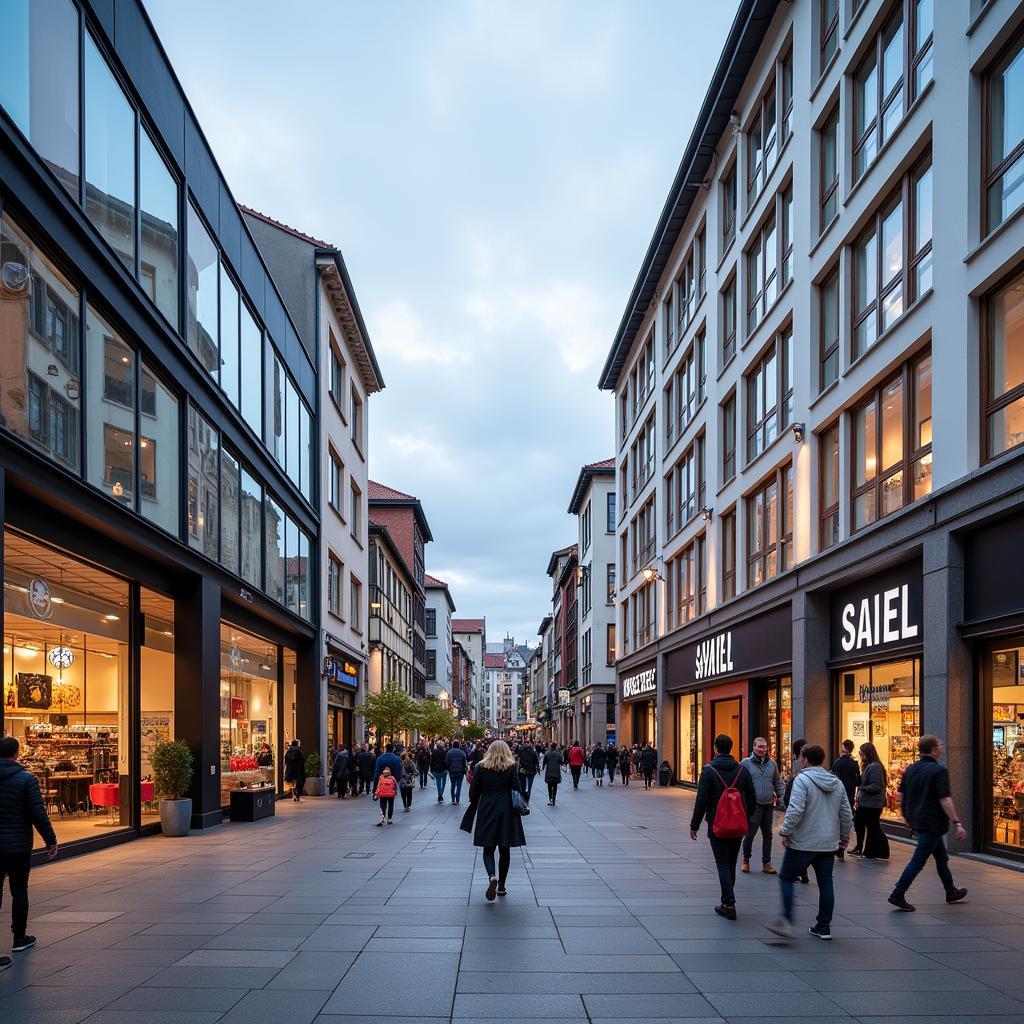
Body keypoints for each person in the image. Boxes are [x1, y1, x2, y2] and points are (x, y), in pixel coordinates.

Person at [766, 743, 852, 941]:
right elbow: (846, 812)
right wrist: (844, 836)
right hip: (827, 842)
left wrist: (785, 832)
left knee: (787, 877)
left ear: (804, 758)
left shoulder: (802, 780)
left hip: (803, 842)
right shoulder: (835, 782)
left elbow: (796, 809)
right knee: (826, 884)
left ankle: (786, 920)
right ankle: (823, 926)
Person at [888, 736, 967, 912]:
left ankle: (950, 890)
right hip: (932, 822)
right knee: (918, 860)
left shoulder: (911, 769)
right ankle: (898, 892)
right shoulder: (938, 771)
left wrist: (907, 817)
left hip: (918, 820)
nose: (943, 747)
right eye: (940, 745)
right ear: (933, 750)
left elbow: (899, 797)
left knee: (941, 858)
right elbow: (945, 799)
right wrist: (957, 823)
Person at [0, 736, 58, 970]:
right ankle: (19, 938)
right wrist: (50, 840)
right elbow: (38, 814)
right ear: (17, 753)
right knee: (19, 890)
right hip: (17, 846)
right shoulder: (26, 779)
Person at [689, 734, 756, 920]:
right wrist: (746, 817)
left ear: (716, 748)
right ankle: (727, 900)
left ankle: (729, 903)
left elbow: (701, 800)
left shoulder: (709, 771)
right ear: (731, 748)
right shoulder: (742, 770)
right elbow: (752, 798)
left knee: (722, 863)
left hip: (717, 824)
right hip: (737, 825)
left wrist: (694, 825)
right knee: (731, 862)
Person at [459, 740, 526, 900]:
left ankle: (492, 876)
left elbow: (473, 793)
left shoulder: (480, 767)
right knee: (505, 848)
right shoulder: (511, 766)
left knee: (488, 848)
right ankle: (502, 885)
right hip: (507, 809)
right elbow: (517, 789)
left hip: (487, 808)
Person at [740, 736, 785, 874]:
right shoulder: (745, 764)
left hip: (768, 805)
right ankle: (746, 860)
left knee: (768, 835)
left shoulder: (772, 764)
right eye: (759, 747)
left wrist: (781, 798)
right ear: (753, 747)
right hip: (754, 806)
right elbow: (740, 784)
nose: (762, 749)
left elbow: (777, 782)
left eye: (764, 747)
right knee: (750, 834)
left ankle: (766, 863)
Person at [854, 742, 889, 860]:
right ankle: (872, 851)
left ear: (867, 754)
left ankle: (877, 851)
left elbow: (876, 786)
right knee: (872, 826)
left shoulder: (874, 767)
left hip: (872, 803)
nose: (860, 755)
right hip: (869, 802)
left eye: (861, 753)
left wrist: (862, 788)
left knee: (873, 827)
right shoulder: (869, 766)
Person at [784, 738, 809, 884]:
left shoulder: (798, 771)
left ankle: (796, 871)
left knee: (795, 844)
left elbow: (790, 799)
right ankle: (802, 872)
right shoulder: (801, 768)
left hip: (799, 812)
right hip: (807, 813)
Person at [830, 740, 860, 860]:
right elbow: (858, 781)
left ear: (843, 748)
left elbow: (833, 778)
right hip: (850, 794)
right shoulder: (854, 764)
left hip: (838, 795)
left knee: (836, 820)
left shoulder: (838, 762)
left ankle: (835, 845)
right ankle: (842, 847)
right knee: (847, 821)